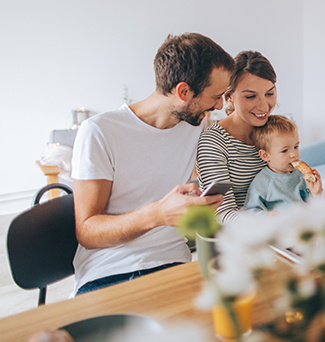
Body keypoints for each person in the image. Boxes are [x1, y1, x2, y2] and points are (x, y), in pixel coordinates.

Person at [71, 33, 234, 295]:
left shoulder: (196, 125)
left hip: (174, 265)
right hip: (110, 271)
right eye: (216, 96)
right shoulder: (100, 131)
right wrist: (157, 214)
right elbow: (87, 231)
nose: (219, 105)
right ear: (183, 92)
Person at [196, 51, 277, 223]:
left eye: (269, 94)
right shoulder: (214, 142)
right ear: (229, 96)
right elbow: (222, 214)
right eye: (250, 96)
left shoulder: (275, 131)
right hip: (240, 238)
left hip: (281, 230)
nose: (264, 106)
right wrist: (268, 220)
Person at [244, 115, 322, 213]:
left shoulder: (300, 174)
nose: (294, 154)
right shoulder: (262, 182)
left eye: (296, 147)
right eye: (285, 150)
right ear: (265, 155)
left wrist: (315, 193)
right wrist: (267, 216)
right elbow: (250, 211)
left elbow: (310, 203)